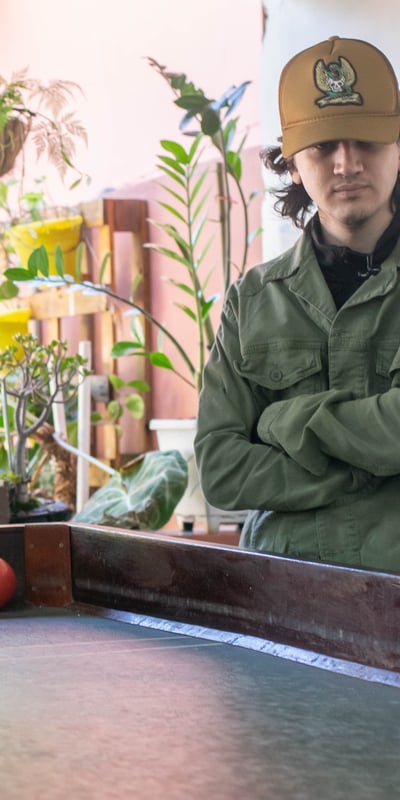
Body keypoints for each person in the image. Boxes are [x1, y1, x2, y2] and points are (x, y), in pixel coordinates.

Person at [196, 36, 400, 571]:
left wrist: (286, 424)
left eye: (367, 141)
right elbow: (221, 467)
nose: (346, 163)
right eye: (323, 146)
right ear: (291, 159)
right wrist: (358, 470)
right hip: (279, 593)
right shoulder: (251, 301)